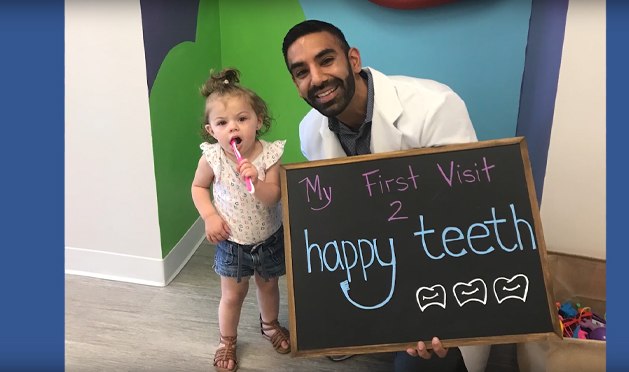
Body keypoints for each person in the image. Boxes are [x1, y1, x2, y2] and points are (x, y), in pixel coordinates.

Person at [281, 20, 492, 372]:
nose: (316, 78)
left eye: (326, 60)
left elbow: (467, 215)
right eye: (302, 72)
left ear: (353, 59)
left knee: (419, 364)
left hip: (443, 265)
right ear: (296, 84)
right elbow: (331, 217)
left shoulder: (434, 107)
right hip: (375, 261)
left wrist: (433, 307)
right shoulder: (310, 133)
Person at [191, 68, 290, 372]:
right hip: (232, 242)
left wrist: (257, 182)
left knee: (269, 286)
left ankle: (270, 325)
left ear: (258, 120)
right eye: (223, 123)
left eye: (242, 119)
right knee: (232, 295)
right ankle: (227, 340)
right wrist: (209, 216)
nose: (233, 128)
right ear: (211, 130)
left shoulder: (270, 156)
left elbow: (274, 196)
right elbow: (198, 187)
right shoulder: (213, 158)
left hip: (268, 237)